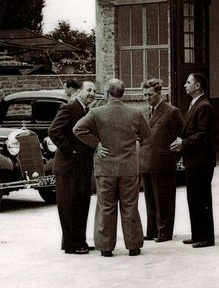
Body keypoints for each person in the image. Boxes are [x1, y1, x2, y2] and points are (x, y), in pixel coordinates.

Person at [74, 78, 150, 257]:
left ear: (107, 93)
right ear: (123, 93)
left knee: (106, 207)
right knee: (130, 206)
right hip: (129, 168)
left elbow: (78, 129)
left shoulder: (96, 113)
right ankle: (133, 246)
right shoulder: (135, 113)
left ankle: (106, 247)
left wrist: (96, 144)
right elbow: (146, 135)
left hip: (105, 167)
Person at [48, 80, 97, 255]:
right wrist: (71, 151)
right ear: (79, 92)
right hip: (67, 167)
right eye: (88, 90)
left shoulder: (87, 111)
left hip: (82, 167)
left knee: (82, 204)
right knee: (69, 206)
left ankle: (80, 240)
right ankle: (71, 244)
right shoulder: (68, 108)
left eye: (94, 90)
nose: (91, 93)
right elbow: (54, 131)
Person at [170, 73, 216, 248]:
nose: (185, 85)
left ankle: (206, 237)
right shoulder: (194, 104)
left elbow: (203, 134)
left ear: (198, 86)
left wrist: (184, 143)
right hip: (194, 160)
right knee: (193, 198)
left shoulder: (203, 106)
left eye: (188, 82)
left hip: (202, 161)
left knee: (201, 199)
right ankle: (197, 234)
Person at [139, 78, 183, 242]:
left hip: (163, 163)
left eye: (149, 94)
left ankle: (164, 232)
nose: (146, 98)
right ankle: (152, 231)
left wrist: (170, 158)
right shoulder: (144, 112)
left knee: (163, 198)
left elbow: (179, 138)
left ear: (159, 93)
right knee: (149, 198)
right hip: (145, 162)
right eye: (144, 95)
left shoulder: (171, 112)